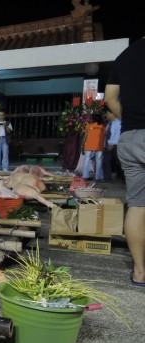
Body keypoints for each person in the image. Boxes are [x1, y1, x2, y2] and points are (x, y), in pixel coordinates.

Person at [104, 37, 145, 287]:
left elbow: (110, 97)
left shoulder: (125, 56)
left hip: (130, 138)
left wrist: (129, 118)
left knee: (138, 205)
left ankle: (140, 272)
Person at [82, 113, 105, 181]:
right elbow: (105, 136)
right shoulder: (103, 126)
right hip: (99, 146)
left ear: (93, 119)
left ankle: (85, 176)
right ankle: (98, 177)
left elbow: (85, 136)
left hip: (89, 145)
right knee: (99, 161)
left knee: (86, 161)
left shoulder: (89, 126)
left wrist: (82, 144)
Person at [102, 108, 122, 182]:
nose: (107, 115)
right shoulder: (110, 123)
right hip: (109, 145)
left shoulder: (118, 122)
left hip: (115, 145)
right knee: (106, 161)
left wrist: (111, 143)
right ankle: (107, 178)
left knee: (119, 162)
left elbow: (117, 134)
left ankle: (123, 178)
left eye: (108, 114)